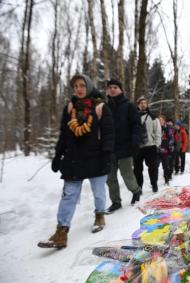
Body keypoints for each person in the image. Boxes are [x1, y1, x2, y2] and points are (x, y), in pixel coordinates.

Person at [38, 74, 114, 249]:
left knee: (99, 192)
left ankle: (99, 215)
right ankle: (61, 232)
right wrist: (58, 155)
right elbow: (64, 134)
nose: (79, 89)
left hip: (96, 158)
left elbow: (109, 135)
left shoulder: (101, 107)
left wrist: (107, 156)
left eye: (82, 85)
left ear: (88, 86)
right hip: (74, 159)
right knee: (69, 195)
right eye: (75, 86)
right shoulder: (70, 108)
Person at [105, 79, 143, 214]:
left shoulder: (129, 106)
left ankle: (136, 190)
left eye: (115, 87)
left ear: (120, 89)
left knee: (126, 173)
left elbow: (136, 126)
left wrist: (135, 142)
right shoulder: (105, 107)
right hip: (109, 149)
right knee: (110, 177)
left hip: (125, 147)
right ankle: (116, 201)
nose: (113, 89)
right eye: (110, 87)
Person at [133, 96, 161, 193]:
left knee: (153, 168)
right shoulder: (133, 117)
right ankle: (139, 187)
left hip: (151, 146)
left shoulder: (153, 117)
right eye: (141, 103)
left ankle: (154, 184)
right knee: (137, 169)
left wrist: (157, 145)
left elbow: (158, 132)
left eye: (145, 103)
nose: (143, 105)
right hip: (138, 147)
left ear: (147, 104)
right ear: (138, 105)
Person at [158, 115, 175, 185]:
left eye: (161, 120)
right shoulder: (156, 128)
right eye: (159, 120)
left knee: (165, 166)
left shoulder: (168, 128)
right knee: (155, 166)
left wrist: (170, 148)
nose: (160, 121)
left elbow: (171, 139)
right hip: (157, 149)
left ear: (164, 121)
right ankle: (154, 182)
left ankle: (166, 179)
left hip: (165, 150)